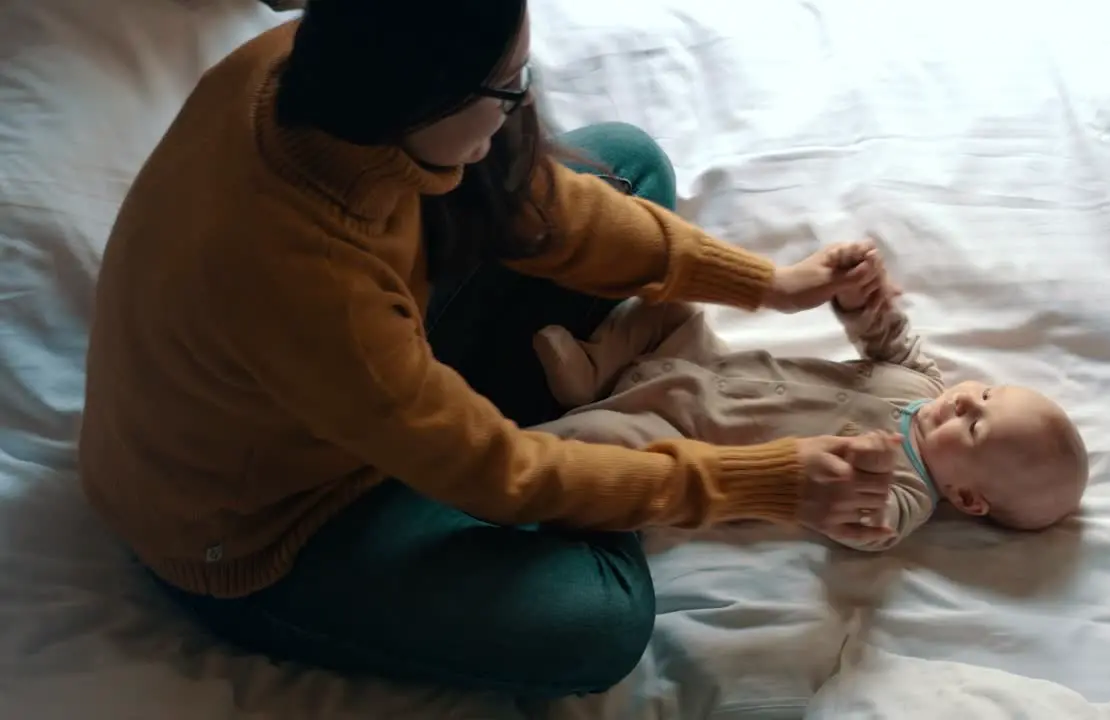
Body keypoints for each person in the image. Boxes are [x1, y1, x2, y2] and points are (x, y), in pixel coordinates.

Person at [77, 0, 897, 701]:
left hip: (353, 377)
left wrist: (769, 284)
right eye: (508, 87)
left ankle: (559, 406)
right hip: (265, 525)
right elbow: (505, 477)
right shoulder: (309, 283)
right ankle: (581, 422)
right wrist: (760, 481)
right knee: (600, 624)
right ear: (430, 94)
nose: (522, 102)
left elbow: (535, 201)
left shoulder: (313, 63)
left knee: (629, 167)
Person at [532, 239, 1090, 548]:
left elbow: (871, 528)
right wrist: (860, 299)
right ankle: (597, 369)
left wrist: (863, 489)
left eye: (975, 427)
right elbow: (887, 335)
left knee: (607, 446)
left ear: (967, 498)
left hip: (685, 435)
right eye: (986, 394)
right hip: (706, 360)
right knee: (674, 307)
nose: (967, 401)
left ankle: (521, 449)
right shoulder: (926, 382)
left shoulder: (907, 492)